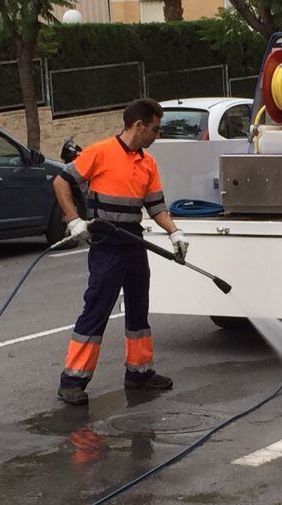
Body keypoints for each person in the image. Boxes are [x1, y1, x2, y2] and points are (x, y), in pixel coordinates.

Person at [52, 98, 189, 406]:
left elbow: (155, 207)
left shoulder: (147, 163)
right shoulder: (99, 153)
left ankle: (139, 374)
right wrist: (74, 220)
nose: (157, 135)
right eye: (155, 129)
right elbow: (60, 182)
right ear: (138, 125)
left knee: (139, 308)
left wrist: (174, 232)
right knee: (97, 309)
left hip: (133, 243)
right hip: (107, 245)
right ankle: (72, 381)